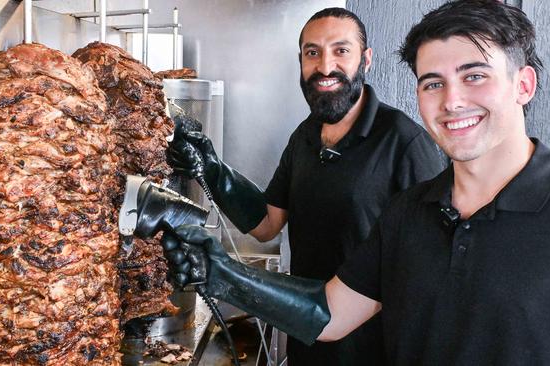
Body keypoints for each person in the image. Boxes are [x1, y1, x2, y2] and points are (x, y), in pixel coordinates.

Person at [159, 0, 550, 365]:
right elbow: (326, 305)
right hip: (316, 343)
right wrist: (221, 262)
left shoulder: (406, 145)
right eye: (433, 83)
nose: (452, 101)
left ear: (523, 85)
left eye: (475, 76)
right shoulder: (409, 212)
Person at [167, 7, 445, 365]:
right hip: (308, 342)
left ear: (366, 60)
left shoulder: (404, 144)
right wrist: (213, 169)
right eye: (312, 52)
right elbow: (267, 224)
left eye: (341, 51)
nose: (325, 67)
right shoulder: (306, 136)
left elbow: (429, 277)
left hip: (372, 352)